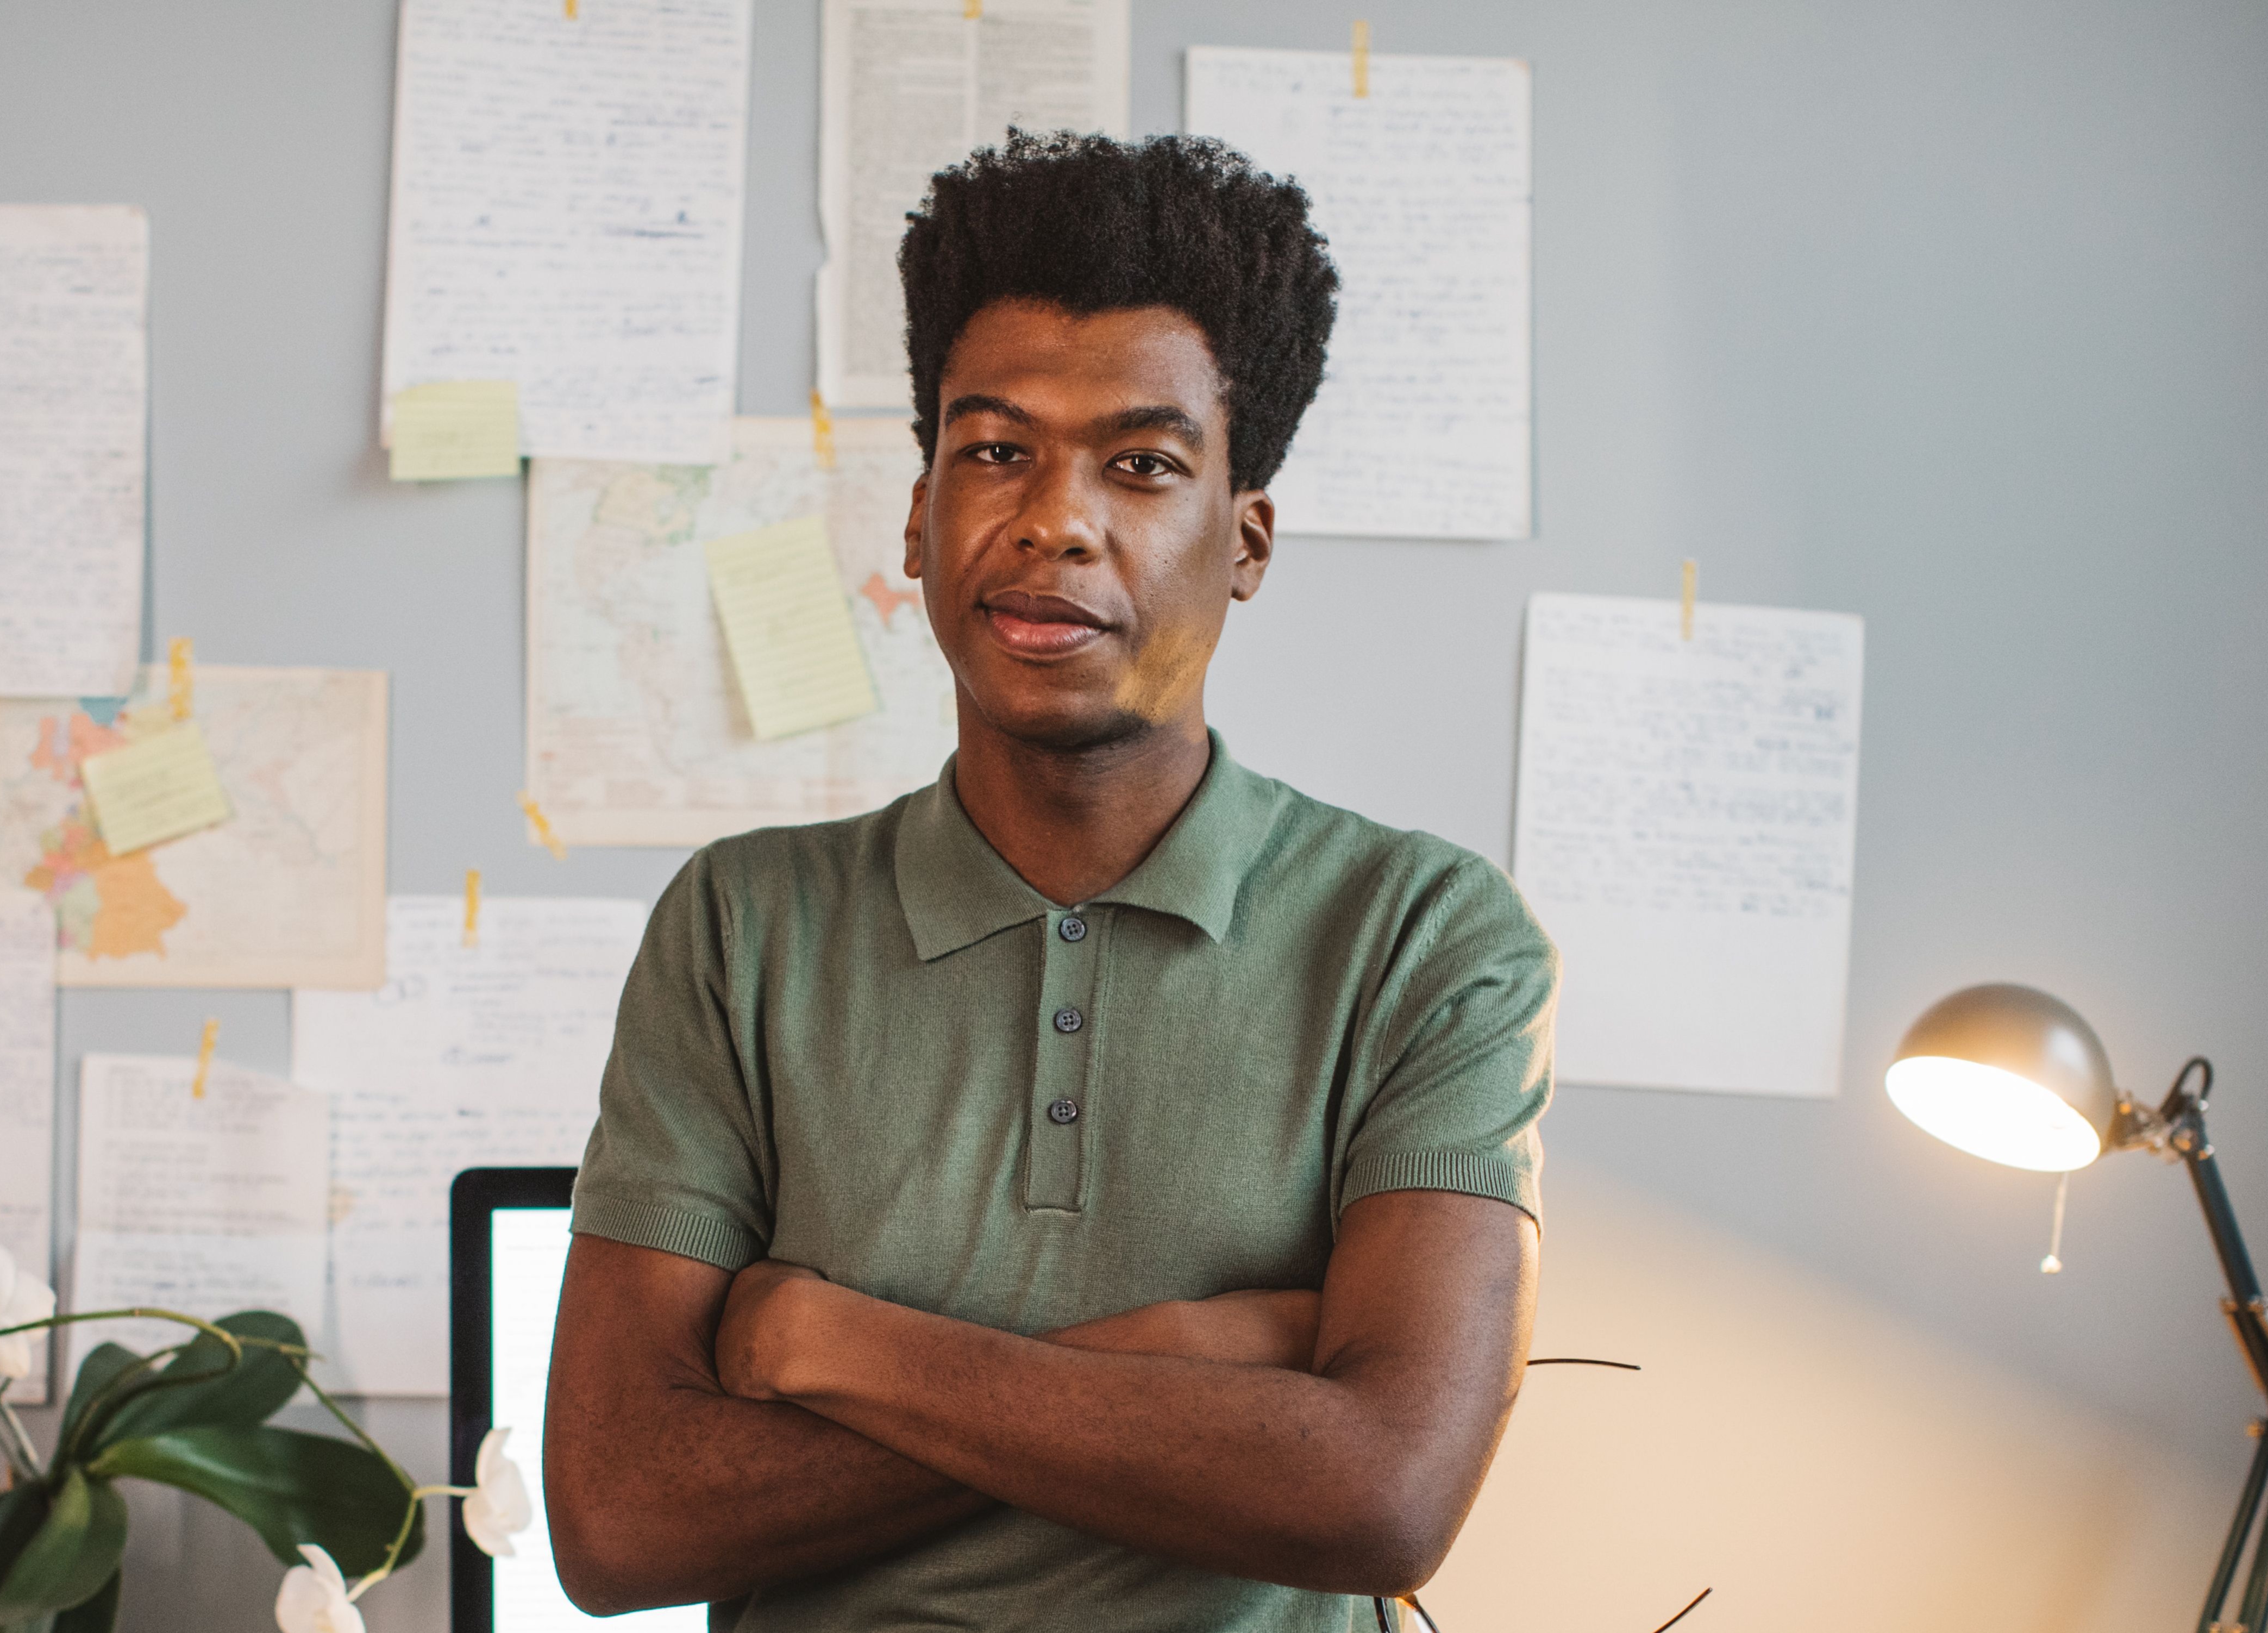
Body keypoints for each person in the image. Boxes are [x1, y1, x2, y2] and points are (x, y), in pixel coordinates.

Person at [545, 131, 1558, 1632]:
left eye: (1143, 465)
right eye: (996, 449)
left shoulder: (1425, 938)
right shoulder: (743, 926)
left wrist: (836, 1344)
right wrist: (1196, 1361)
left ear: (1247, 541)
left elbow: (1382, 1495)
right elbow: (619, 1520)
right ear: (917, 515)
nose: (1054, 520)